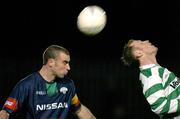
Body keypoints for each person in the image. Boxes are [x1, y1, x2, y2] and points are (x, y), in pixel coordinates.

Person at [0, 45, 96, 119]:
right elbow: (5, 113)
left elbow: (79, 109)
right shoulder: (26, 85)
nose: (68, 67)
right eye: (65, 62)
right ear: (51, 62)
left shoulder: (68, 84)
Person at [121, 39, 180, 119]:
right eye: (141, 43)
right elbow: (160, 106)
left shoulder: (156, 70)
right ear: (138, 53)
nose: (147, 41)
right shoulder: (150, 75)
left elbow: (173, 90)